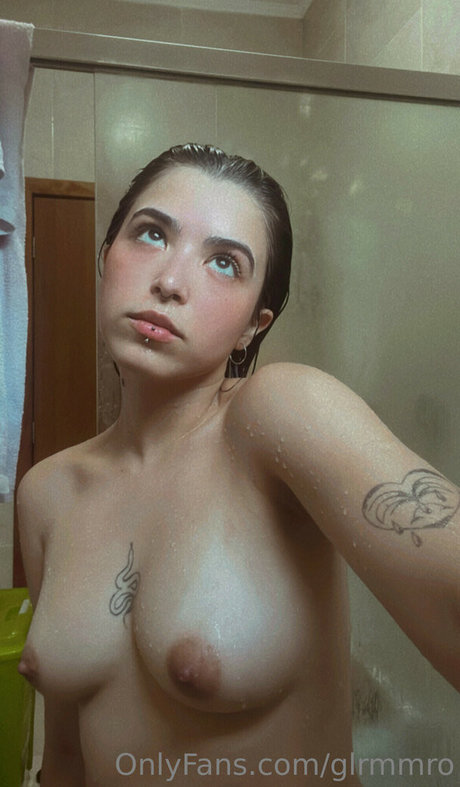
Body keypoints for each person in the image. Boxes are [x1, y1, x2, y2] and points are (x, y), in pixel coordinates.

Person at [17, 143, 459, 787]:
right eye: (151, 233)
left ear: (255, 324)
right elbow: (64, 759)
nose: (170, 281)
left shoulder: (278, 416)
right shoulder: (47, 492)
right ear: (105, 255)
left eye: (224, 262)